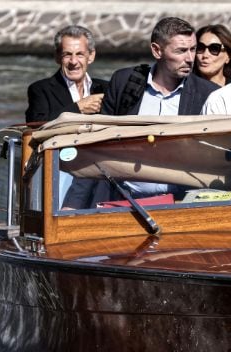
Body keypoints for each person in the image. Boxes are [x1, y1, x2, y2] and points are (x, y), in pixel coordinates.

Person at [63, 17, 219, 209]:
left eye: (192, 49)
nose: (190, 58)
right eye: (180, 51)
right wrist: (72, 205)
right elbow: (96, 147)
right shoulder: (124, 83)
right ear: (156, 50)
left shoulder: (207, 94)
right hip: (123, 202)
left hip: (181, 205)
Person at [25, 25, 107, 123]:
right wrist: (78, 108)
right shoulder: (40, 90)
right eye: (67, 54)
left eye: (79, 54)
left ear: (91, 56)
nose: (73, 61)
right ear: (57, 57)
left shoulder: (107, 88)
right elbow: (35, 126)